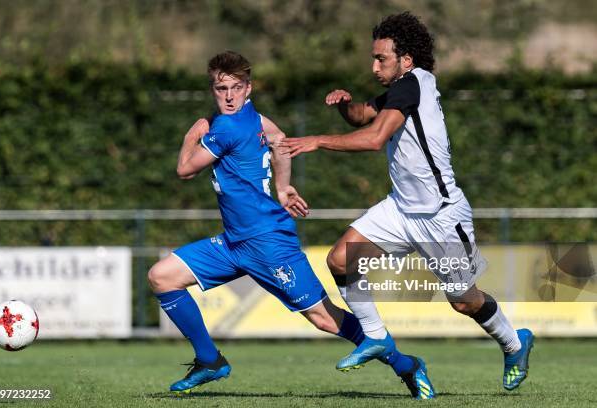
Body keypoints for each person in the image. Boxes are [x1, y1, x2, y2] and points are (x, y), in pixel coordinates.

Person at [147, 51, 428, 398]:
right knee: (162, 277)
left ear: (248, 88)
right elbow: (280, 141)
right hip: (235, 242)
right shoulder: (257, 119)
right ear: (213, 90)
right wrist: (282, 187)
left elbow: (185, 170)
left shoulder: (225, 127)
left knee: (325, 319)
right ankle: (209, 361)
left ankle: (406, 365)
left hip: (268, 243)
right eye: (222, 89)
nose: (229, 96)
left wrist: (194, 131)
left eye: (236, 88)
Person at [281, 12, 534, 397]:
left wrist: (316, 140)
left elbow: (373, 138)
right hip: (401, 209)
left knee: (464, 302)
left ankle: (515, 343)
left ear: (407, 60)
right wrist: (344, 104)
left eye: (381, 58)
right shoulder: (403, 88)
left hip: (441, 217)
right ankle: (377, 337)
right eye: (374, 57)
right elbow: (362, 116)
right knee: (340, 259)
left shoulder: (411, 86)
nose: (374, 65)